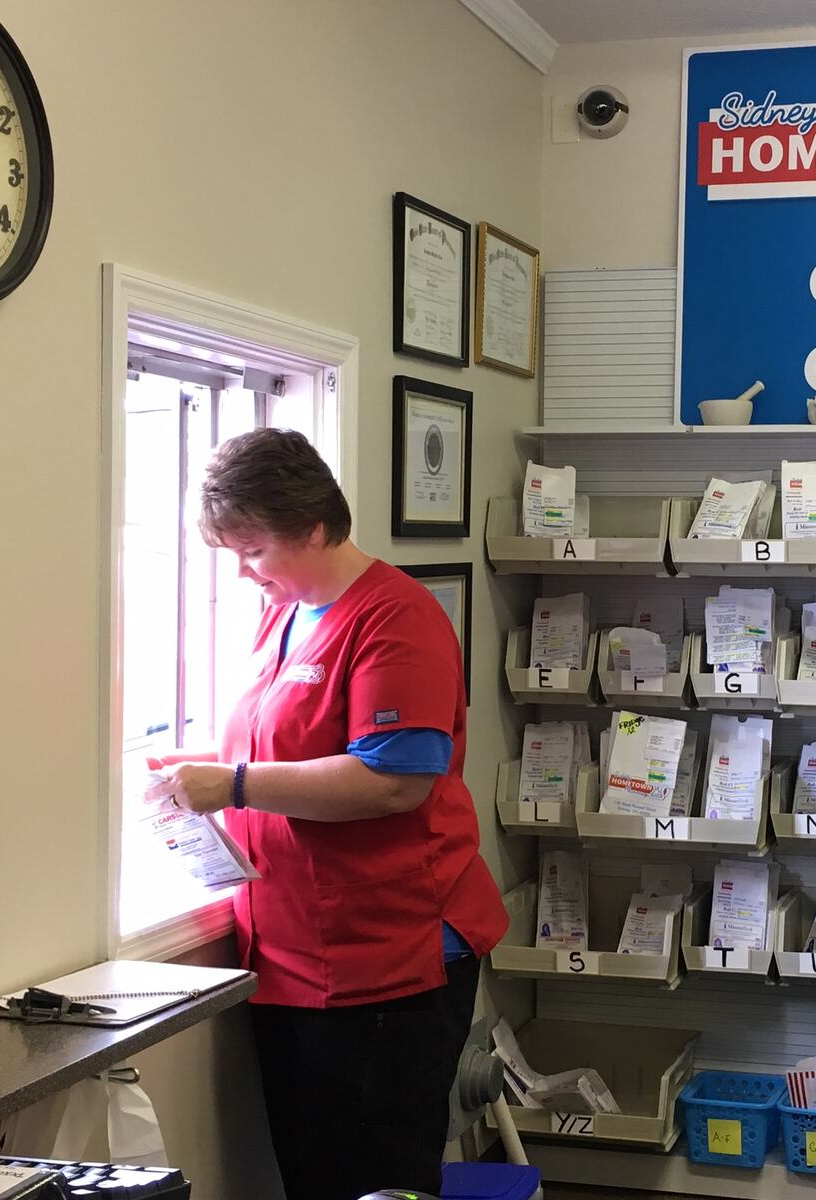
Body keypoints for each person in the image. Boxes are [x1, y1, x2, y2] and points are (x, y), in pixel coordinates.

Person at [147, 427, 507, 1200]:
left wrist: (235, 784)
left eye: (254, 551)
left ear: (313, 526)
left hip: (388, 952)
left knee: (373, 1181)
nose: (245, 573)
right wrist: (199, 772)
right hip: (291, 948)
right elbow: (283, 740)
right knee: (311, 1177)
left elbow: (393, 783)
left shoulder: (395, 618)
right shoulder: (285, 615)